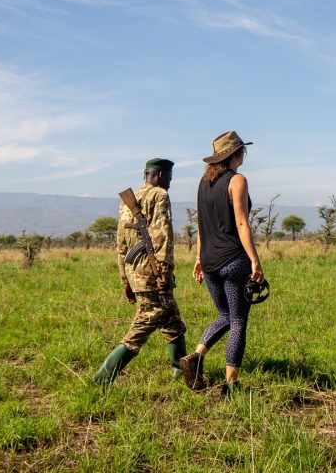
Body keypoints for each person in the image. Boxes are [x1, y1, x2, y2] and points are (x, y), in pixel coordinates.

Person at [180, 131, 265, 396]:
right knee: (238, 320)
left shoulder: (203, 183)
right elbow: (241, 222)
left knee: (225, 316)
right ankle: (231, 384)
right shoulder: (237, 180)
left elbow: (202, 226)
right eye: (242, 151)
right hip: (232, 260)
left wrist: (197, 258)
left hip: (209, 262)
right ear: (235, 154)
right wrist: (254, 260)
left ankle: (195, 357)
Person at [93, 158, 188, 386]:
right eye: (170, 177)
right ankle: (103, 377)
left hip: (135, 272)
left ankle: (182, 372)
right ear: (161, 175)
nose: (170, 182)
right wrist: (164, 273)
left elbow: (121, 243)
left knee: (172, 322)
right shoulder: (159, 196)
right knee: (143, 324)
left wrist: (125, 279)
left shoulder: (130, 200)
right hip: (153, 275)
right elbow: (163, 236)